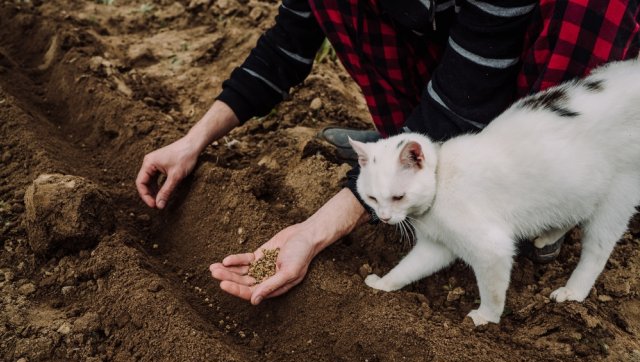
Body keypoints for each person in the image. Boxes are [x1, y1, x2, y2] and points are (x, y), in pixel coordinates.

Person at [136, 0, 640, 305]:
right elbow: (285, 47)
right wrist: (192, 140)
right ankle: (405, 142)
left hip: (565, 76)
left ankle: (554, 199)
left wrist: (314, 231)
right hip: (457, 77)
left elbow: (469, 89)